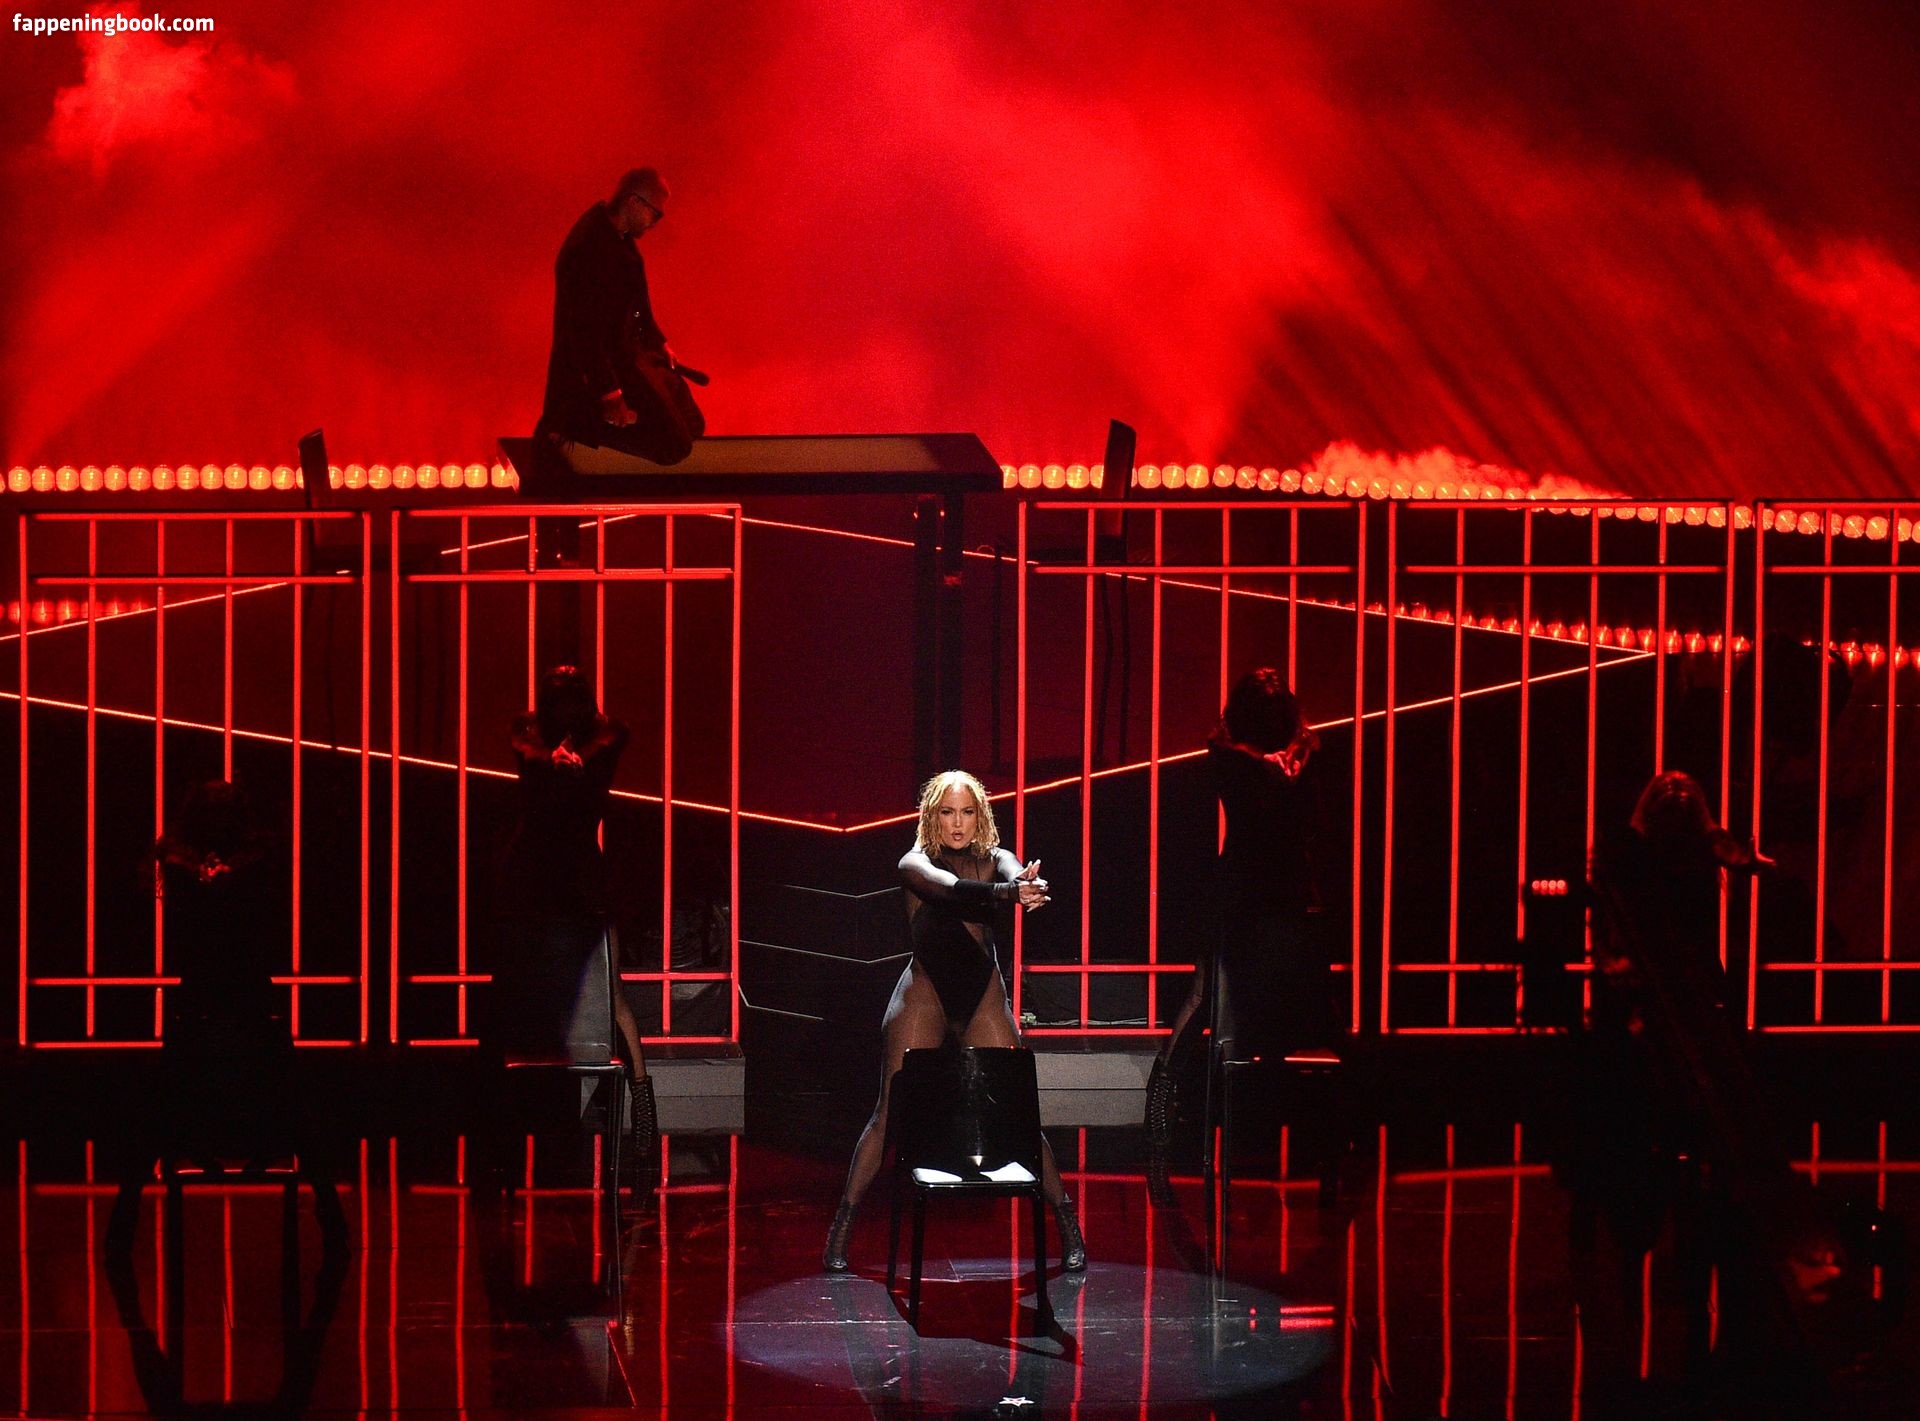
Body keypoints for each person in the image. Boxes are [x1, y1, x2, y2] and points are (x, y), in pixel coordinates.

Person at [823, 771, 1085, 1273]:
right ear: (933, 816)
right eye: (947, 812)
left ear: (979, 815)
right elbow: (952, 892)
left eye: (966, 812)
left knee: (1020, 1113)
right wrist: (1009, 894)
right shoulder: (914, 863)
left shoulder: (995, 859)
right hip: (926, 992)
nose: (958, 823)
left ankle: (1067, 1223)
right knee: (888, 1111)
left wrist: (1024, 885)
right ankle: (842, 1229)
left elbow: (1011, 870)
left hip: (982, 994)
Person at [1147, 668, 1325, 1139]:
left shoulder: (1270, 762)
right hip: (1254, 893)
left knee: (1225, 996)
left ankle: (1183, 1102)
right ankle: (1164, 1098)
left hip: (1270, 894)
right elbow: (1276, 814)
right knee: (1210, 993)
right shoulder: (1243, 764)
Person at [491, 666, 655, 1163]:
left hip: (575, 881)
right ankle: (497, 1118)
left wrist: (572, 756)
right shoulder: (528, 731)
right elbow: (526, 746)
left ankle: (644, 1115)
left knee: (611, 991)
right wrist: (557, 758)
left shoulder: (605, 734)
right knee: (516, 991)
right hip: (536, 880)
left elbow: (611, 737)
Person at [535, 166, 704, 473]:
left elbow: (635, 301)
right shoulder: (589, 247)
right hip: (610, 367)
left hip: (631, 355)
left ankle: (599, 419)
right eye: (655, 213)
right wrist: (610, 393)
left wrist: (658, 341)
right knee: (674, 445)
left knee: (692, 422)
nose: (655, 222)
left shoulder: (619, 238)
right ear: (634, 202)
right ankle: (576, 421)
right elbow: (583, 331)